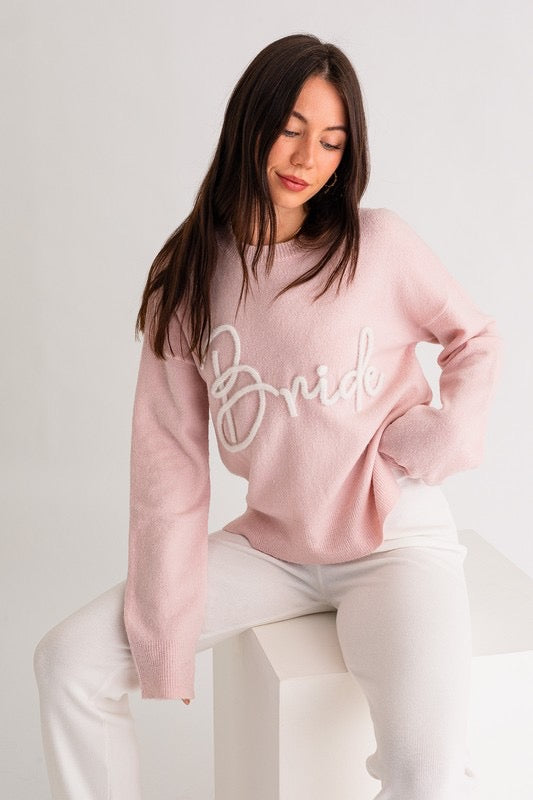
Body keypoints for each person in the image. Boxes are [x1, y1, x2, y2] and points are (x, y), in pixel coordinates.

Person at [33, 32, 502, 800]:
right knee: (69, 661)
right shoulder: (188, 274)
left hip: (394, 542)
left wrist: (447, 434)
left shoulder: (377, 244)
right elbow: (167, 464)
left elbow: (474, 338)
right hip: (271, 548)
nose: (306, 157)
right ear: (249, 122)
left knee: (428, 773)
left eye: (331, 141)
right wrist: (162, 629)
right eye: (289, 128)